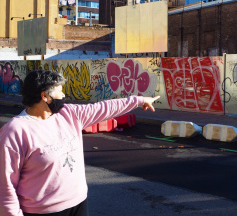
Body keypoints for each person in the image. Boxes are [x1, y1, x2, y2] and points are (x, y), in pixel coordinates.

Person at [0, 70, 160, 216]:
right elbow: (5, 187)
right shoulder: (16, 131)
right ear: (45, 96)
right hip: (42, 211)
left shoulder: (69, 113)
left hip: (78, 203)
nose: (63, 95)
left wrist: (139, 100)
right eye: (59, 91)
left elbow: (104, 108)